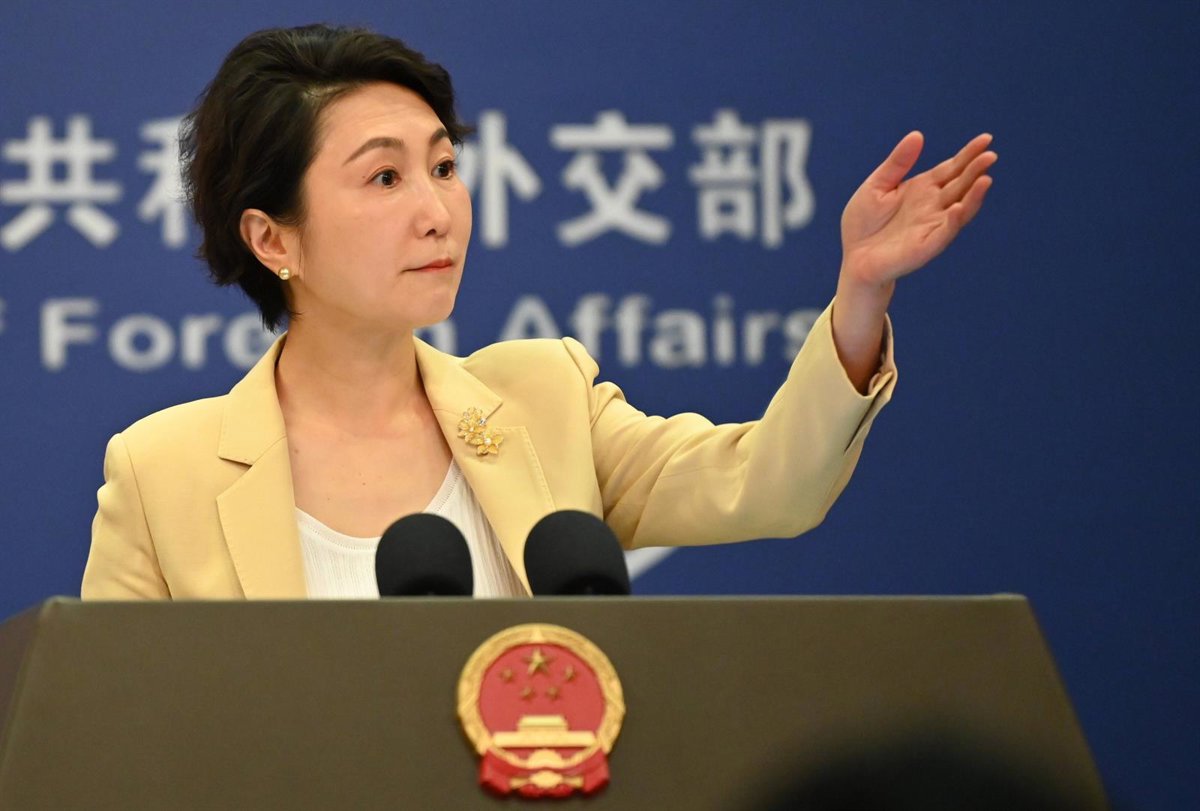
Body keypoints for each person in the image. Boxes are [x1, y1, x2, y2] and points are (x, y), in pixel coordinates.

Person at [81, 24, 995, 600]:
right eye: (385, 177)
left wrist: (860, 291)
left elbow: (769, 485)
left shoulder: (542, 399)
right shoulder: (162, 473)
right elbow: (112, 740)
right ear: (272, 238)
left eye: (444, 166)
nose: (438, 210)